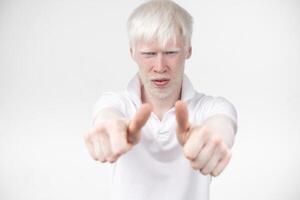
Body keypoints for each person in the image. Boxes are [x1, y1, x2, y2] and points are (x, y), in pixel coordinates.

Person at [84, 0, 238, 199]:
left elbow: (222, 122)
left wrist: (214, 138)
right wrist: (109, 129)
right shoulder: (116, 103)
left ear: (188, 50)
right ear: (132, 53)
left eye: (170, 52)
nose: (160, 66)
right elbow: (107, 115)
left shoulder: (211, 107)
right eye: (149, 54)